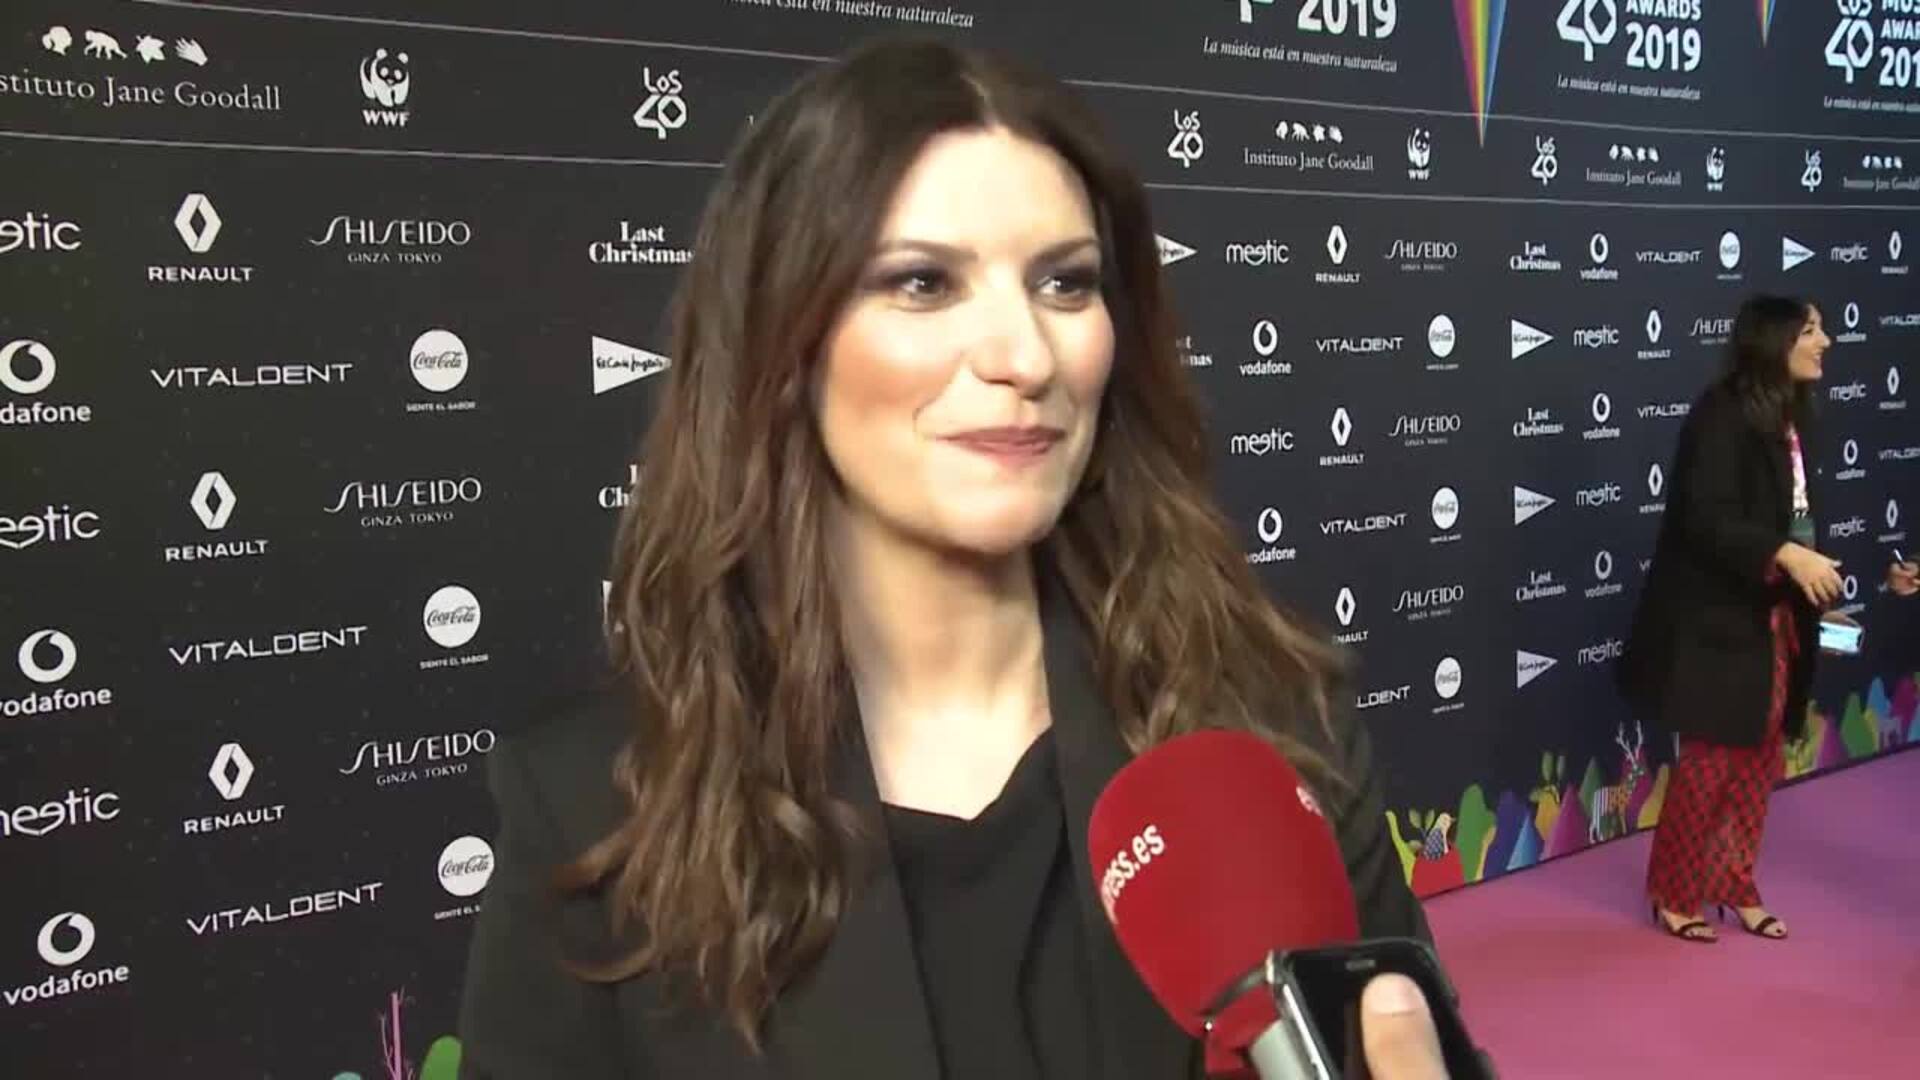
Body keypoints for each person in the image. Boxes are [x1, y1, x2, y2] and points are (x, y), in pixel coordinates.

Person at [458, 37, 1460, 1080]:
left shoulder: (1274, 729)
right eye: (924, 283)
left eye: (1066, 283)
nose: (1024, 356)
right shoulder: (592, 810)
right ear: (782, 340)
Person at [1620, 293, 1918, 945]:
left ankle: (1733, 885)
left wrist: (1854, 573)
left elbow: (1800, 518)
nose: (1826, 341)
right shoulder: (1720, 415)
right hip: (1716, 619)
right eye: (1811, 330)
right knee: (1711, 759)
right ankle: (1674, 892)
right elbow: (1704, 519)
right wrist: (1784, 554)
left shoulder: (1794, 416)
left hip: (1779, 617)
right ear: (1774, 340)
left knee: (1760, 758)